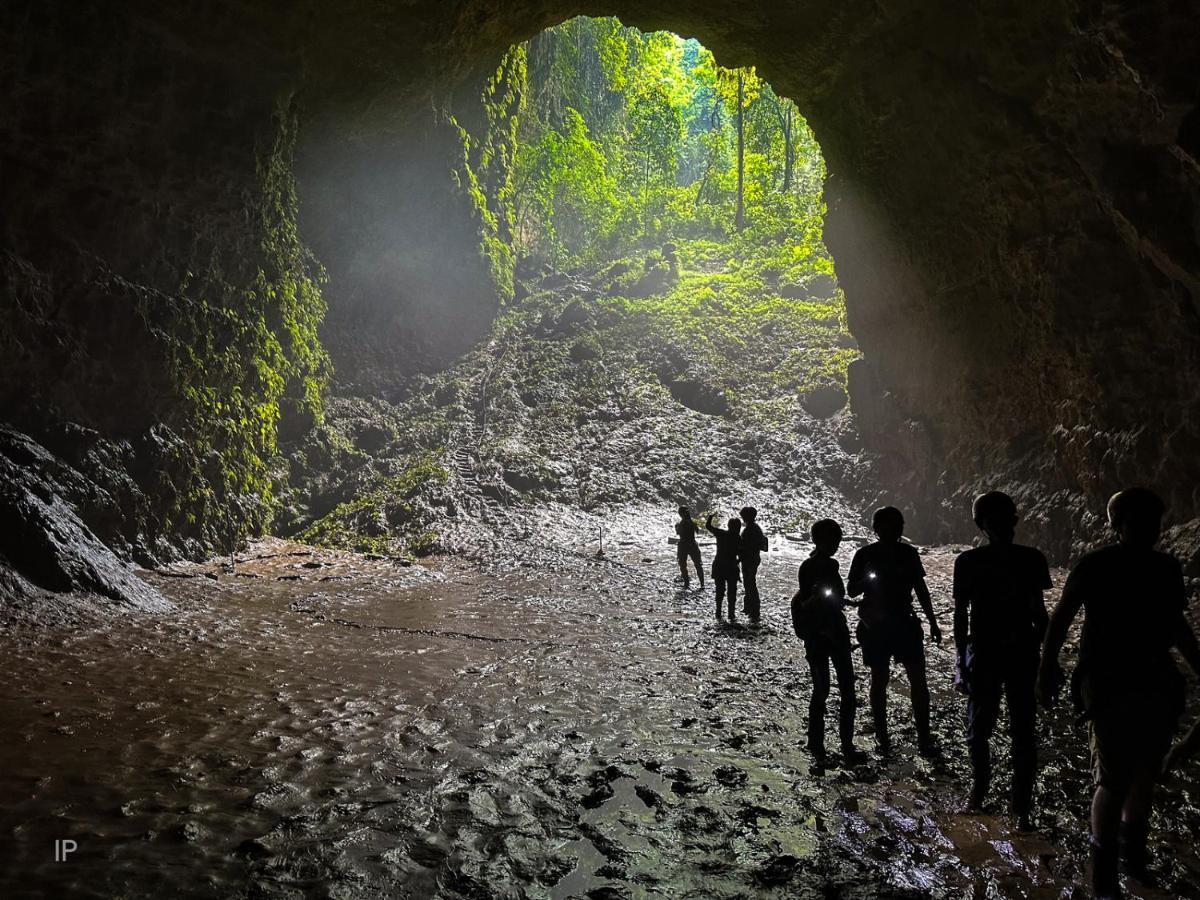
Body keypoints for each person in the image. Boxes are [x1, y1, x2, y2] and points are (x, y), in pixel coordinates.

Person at [1038, 488, 1200, 898]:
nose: (1150, 530)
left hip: (1151, 680)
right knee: (1113, 777)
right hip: (1109, 682)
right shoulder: (1096, 565)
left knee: (1143, 772)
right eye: (1140, 521)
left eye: (1154, 522)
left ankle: (1129, 859)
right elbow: (1061, 617)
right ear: (1118, 525)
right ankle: (1106, 873)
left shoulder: (1165, 567)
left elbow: (1176, 624)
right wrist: (1046, 666)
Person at [953, 491, 1051, 831]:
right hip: (996, 652)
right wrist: (961, 659)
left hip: (1007, 652)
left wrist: (1049, 658)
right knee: (989, 730)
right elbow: (960, 615)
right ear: (983, 524)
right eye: (998, 519)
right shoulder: (976, 562)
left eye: (1007, 517)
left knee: (1009, 730)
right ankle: (993, 799)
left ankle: (1009, 804)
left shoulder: (975, 561)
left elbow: (1039, 611)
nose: (1006, 524)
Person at [848, 506, 942, 754]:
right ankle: (915, 739)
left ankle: (889, 738)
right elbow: (852, 590)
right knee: (907, 680)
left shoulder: (873, 554)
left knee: (888, 680)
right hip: (891, 624)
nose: (893, 531)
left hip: (887, 624)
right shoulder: (895, 554)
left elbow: (920, 589)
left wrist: (932, 620)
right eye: (888, 526)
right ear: (877, 529)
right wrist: (931, 621)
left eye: (895, 526)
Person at [793, 518, 865, 764]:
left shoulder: (832, 565)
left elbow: (836, 597)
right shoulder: (808, 567)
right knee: (825, 689)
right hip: (819, 634)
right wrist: (816, 601)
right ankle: (819, 745)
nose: (834, 545)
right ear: (818, 541)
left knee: (843, 689)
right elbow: (804, 602)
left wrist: (850, 604)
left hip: (832, 631)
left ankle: (837, 745)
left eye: (837, 540)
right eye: (830, 540)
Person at [706, 512, 742, 622]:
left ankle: (718, 611)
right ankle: (731, 613)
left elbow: (708, 526)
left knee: (719, 590)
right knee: (732, 591)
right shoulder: (738, 538)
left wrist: (710, 518)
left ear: (729, 526)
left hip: (719, 565)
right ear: (738, 527)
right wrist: (737, 562)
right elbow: (742, 554)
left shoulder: (721, 534)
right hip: (731, 566)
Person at [739, 506, 769, 623]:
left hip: (750, 559)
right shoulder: (755, 528)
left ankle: (754, 610)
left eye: (743, 516)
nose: (742, 518)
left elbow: (745, 545)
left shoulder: (750, 529)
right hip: (753, 558)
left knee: (750, 583)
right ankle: (749, 608)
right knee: (749, 583)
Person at [675, 506, 704, 589]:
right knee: (698, 565)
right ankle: (702, 584)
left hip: (683, 545)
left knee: (683, 565)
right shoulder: (691, 522)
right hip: (693, 545)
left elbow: (678, 532)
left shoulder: (682, 523)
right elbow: (697, 530)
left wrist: (677, 527)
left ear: (680, 514)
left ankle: (686, 583)